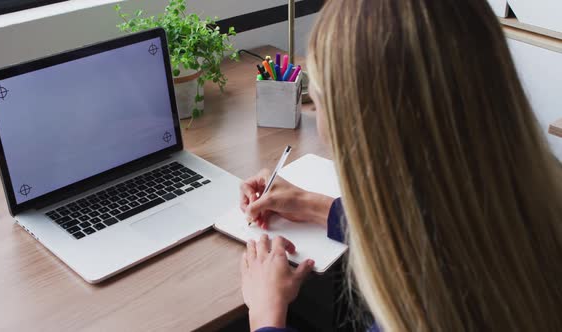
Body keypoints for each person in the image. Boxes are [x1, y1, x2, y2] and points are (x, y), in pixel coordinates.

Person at [238, 0, 562, 331]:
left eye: (318, 102)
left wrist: (267, 313)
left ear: (364, 133)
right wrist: (313, 206)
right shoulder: (522, 213)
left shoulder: (426, 307)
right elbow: (425, 223)